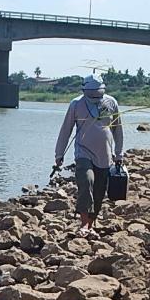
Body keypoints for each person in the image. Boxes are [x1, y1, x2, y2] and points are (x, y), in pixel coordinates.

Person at [54, 74, 124, 236]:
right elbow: (66, 130)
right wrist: (59, 154)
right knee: (86, 182)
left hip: (105, 155)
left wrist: (119, 153)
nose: (94, 96)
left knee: (99, 190)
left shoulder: (111, 103)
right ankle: (84, 224)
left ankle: (91, 225)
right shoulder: (76, 104)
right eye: (91, 93)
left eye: (97, 93)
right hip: (83, 152)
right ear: (84, 90)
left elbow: (118, 130)